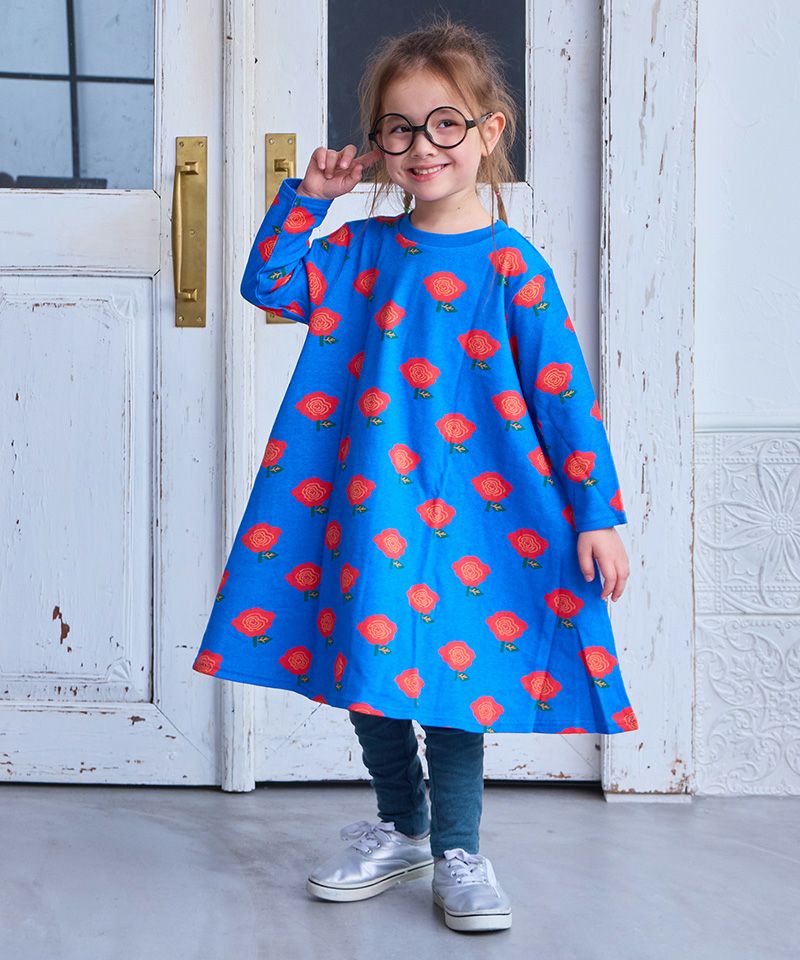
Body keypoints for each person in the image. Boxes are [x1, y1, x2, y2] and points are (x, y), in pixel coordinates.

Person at [192, 14, 638, 934]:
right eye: (399, 129)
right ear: (379, 143)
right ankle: (404, 827)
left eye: (445, 124)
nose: (423, 146)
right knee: (370, 662)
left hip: (483, 516)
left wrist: (597, 513)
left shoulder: (514, 268)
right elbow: (268, 283)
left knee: (453, 684)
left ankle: (459, 849)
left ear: (489, 130)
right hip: (366, 505)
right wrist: (308, 200)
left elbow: (565, 397)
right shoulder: (359, 251)